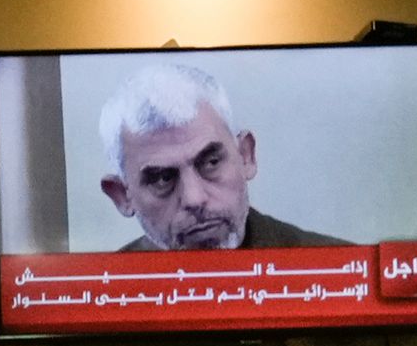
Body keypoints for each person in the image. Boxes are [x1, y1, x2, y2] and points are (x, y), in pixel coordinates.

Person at [95, 59, 345, 250]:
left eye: (211, 163)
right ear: (122, 196)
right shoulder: (100, 300)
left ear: (246, 155)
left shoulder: (339, 271)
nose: (194, 199)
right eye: (162, 179)